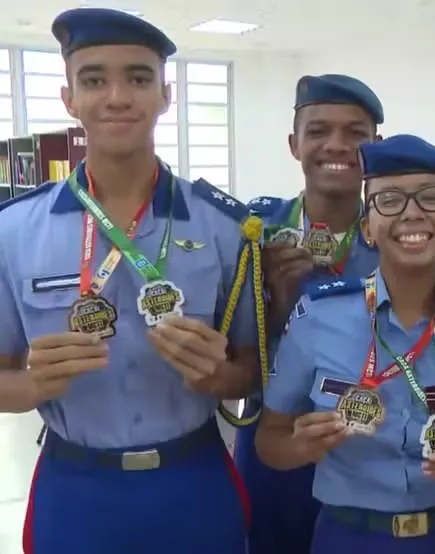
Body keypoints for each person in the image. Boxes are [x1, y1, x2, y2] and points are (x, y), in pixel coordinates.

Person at [0, 8, 261, 554]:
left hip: (192, 482)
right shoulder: (14, 231)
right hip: (76, 490)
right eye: (94, 79)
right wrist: (31, 387)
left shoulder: (225, 228)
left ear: (165, 95)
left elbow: (251, 372)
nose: (117, 97)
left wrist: (219, 375)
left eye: (138, 79)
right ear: (69, 98)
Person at [255, 134, 435, 553]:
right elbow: (269, 440)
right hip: (347, 538)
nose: (412, 213)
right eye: (389, 200)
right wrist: (298, 447)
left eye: (431, 198)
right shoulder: (317, 317)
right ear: (367, 227)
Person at [235, 73, 383, 554]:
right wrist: (274, 308)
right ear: (294, 144)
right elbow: (231, 350)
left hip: (365, 439)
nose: (336, 145)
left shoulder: (395, 233)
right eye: (318, 131)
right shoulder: (255, 232)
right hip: (271, 432)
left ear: (376, 146)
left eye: (355, 133)